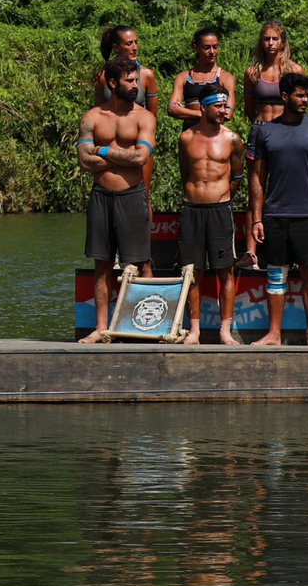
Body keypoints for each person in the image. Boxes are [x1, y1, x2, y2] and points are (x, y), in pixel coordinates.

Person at [247, 72, 308, 347]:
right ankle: (274, 334)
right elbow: (258, 178)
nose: (305, 99)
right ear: (284, 97)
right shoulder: (265, 131)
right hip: (275, 214)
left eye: (307, 95)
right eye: (299, 95)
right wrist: (257, 218)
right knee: (276, 273)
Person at [75, 57, 157, 344]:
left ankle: (146, 327)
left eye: (136, 80)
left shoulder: (144, 117)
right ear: (113, 83)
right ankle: (101, 328)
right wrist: (121, 157)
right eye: (130, 81)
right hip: (101, 198)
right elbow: (84, 162)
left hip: (132, 197)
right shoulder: (92, 117)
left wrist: (104, 151)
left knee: (142, 263)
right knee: (102, 265)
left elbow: (141, 157)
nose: (136, 85)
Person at [176, 83, 244, 345]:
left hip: (220, 210)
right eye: (218, 106)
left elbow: (237, 176)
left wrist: (221, 197)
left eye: (225, 105)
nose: (223, 110)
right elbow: (185, 173)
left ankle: (225, 330)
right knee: (192, 271)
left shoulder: (232, 139)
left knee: (225, 270)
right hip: (192, 209)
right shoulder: (186, 138)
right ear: (203, 108)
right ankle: (194, 330)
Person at [239, 20, 303, 269]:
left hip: (287, 133)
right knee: (256, 188)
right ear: (261, 41)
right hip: (261, 130)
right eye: (266, 39)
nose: (270, 43)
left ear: (282, 41)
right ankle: (251, 252)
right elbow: (248, 108)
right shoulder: (253, 72)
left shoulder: (294, 70)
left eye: (275, 39)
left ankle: (292, 250)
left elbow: (300, 104)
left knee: (288, 188)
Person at [99, 24, 159, 193]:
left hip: (137, 144)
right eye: (129, 44)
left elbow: (152, 117)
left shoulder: (146, 75)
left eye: (136, 42)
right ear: (116, 48)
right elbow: (98, 111)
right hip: (109, 144)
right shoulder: (103, 77)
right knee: (108, 191)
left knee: (143, 195)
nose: (135, 48)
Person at [168, 27, 238, 129]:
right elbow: (172, 109)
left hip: (215, 135)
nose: (212, 51)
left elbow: (228, 113)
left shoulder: (226, 78)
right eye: (206, 47)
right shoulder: (184, 77)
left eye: (215, 47)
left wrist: (187, 112)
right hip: (190, 134)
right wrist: (201, 114)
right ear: (196, 48)